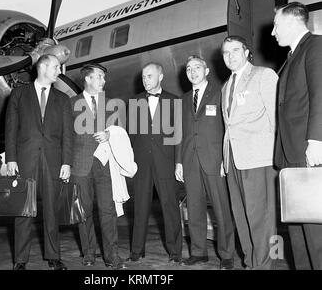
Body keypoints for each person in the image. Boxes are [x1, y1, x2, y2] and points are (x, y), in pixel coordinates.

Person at [5, 54, 72, 270]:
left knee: (52, 210)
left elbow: (68, 135)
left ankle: (54, 257)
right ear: (42, 67)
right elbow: (10, 130)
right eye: (56, 67)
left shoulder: (62, 99)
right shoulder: (18, 94)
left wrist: (66, 162)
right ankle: (20, 260)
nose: (59, 72)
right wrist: (11, 158)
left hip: (53, 161)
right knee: (23, 211)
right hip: (25, 160)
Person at [272, 2, 322, 270]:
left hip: (308, 152)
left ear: (293, 22)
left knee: (315, 233)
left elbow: (320, 94)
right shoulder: (292, 56)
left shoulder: (315, 46)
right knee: (298, 231)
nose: (272, 32)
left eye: (276, 25)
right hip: (291, 155)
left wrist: (316, 141)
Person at [221, 36, 278, 270]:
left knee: (262, 219)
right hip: (233, 159)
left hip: (259, 158)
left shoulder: (264, 75)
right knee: (242, 218)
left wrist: (278, 157)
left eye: (235, 50)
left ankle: (265, 266)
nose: (230, 56)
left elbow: (276, 118)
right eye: (226, 52)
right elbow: (229, 127)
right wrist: (224, 160)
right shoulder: (226, 86)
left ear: (246, 52)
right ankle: (250, 264)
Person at [175, 55, 235, 269]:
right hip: (190, 162)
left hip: (214, 161)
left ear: (207, 70)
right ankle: (199, 252)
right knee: (194, 208)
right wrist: (179, 162)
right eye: (189, 68)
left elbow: (228, 128)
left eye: (197, 67)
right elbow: (180, 133)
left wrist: (225, 158)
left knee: (221, 208)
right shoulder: (183, 99)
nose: (192, 71)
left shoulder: (220, 93)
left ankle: (227, 254)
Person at [70, 62, 126, 270]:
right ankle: (89, 253)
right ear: (88, 79)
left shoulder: (112, 104)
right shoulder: (70, 103)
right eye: (100, 77)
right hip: (80, 165)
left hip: (105, 165)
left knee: (108, 210)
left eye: (104, 77)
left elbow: (122, 132)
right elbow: (66, 137)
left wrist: (110, 134)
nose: (104, 81)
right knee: (83, 211)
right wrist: (65, 165)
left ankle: (112, 256)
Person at [127, 62, 182, 264]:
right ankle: (136, 250)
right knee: (140, 206)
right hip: (141, 161)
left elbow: (178, 137)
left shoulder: (174, 101)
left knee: (170, 206)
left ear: (160, 77)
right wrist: (129, 162)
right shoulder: (134, 102)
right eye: (143, 77)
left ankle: (175, 251)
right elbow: (131, 136)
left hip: (165, 162)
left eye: (149, 76)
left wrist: (178, 163)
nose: (145, 80)